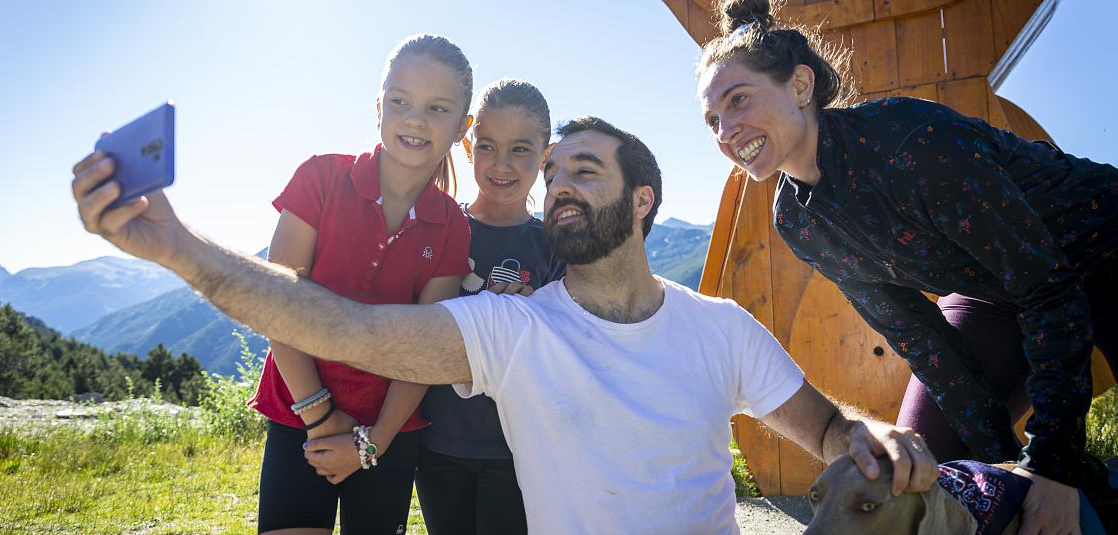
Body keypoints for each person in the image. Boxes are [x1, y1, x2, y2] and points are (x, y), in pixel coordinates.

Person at [71, 115, 939, 534]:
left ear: (642, 202)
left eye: (583, 170)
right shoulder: (512, 331)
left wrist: (870, 438)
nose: (556, 181)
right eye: (551, 168)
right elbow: (342, 324)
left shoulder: (721, 328)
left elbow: (823, 424)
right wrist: (183, 250)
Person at [694, 0, 1118, 532]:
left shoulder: (910, 144)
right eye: (712, 120)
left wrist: (1054, 467)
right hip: (997, 295)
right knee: (915, 473)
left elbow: (1050, 291)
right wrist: (1008, 475)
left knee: (1057, 479)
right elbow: (919, 336)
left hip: (1101, 250)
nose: (725, 131)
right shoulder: (797, 222)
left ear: (801, 86)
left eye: (738, 101)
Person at [244, 34, 473, 534]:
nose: (414, 119)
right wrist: (321, 418)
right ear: (378, 106)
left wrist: (373, 441)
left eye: (437, 108)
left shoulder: (453, 225)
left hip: (389, 432)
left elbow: (425, 347)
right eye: (399, 102)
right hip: (297, 415)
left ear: (462, 127)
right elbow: (277, 303)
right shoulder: (320, 179)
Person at [415, 79, 564, 535]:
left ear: (545, 156)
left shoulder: (554, 246)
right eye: (487, 146)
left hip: (520, 449)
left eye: (520, 149)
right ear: (467, 146)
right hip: (437, 443)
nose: (501, 165)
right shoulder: (439, 229)